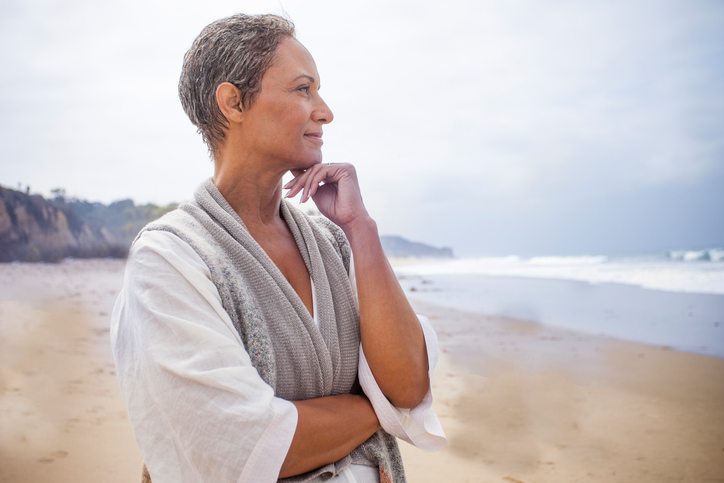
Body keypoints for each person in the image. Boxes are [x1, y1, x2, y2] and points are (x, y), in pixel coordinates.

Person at [111, 13, 446, 483]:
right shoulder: (171, 258)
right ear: (233, 102)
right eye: (302, 89)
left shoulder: (332, 241)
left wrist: (360, 227)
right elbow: (241, 445)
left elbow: (409, 386)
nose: (325, 110)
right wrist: (379, 409)